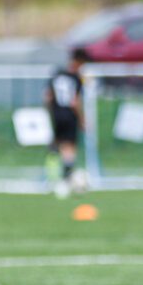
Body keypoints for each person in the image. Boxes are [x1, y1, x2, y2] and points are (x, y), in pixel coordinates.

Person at [45, 47, 89, 196]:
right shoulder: (76, 77)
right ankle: (66, 180)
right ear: (79, 61)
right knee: (70, 148)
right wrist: (82, 119)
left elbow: (47, 97)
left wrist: (51, 113)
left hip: (56, 114)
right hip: (70, 115)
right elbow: (75, 101)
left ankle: (52, 179)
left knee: (56, 146)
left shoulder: (57, 74)